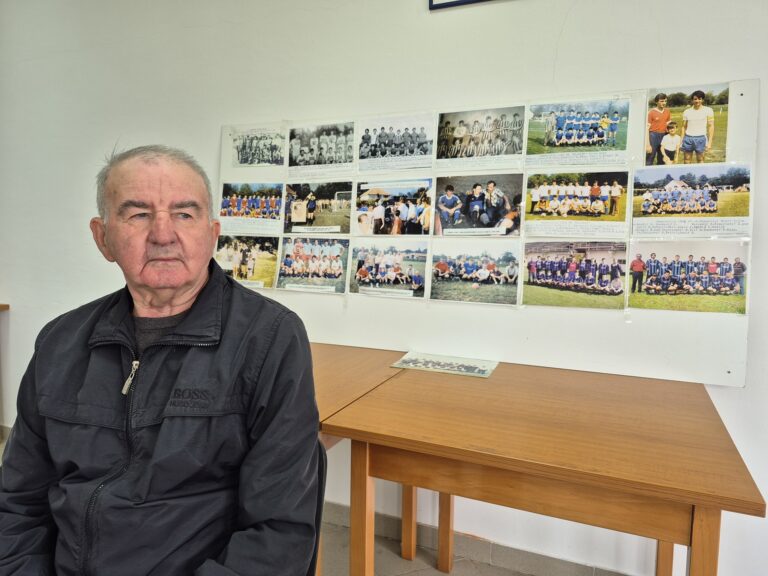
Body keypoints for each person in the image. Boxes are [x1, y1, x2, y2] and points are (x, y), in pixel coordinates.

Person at [0, 146, 320, 575]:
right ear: (103, 238)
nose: (164, 234)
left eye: (184, 214)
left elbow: (279, 530)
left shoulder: (269, 337)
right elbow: (17, 503)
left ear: (213, 233)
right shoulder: (61, 340)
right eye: (138, 214)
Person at [681, 90, 715, 163]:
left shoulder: (708, 110)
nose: (697, 101)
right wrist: (681, 141)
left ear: (702, 100)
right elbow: (684, 127)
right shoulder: (687, 112)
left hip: (701, 138)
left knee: (700, 160)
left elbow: (711, 126)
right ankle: (687, 174)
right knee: (686, 160)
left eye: (699, 99)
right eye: (695, 99)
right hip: (688, 138)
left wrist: (709, 143)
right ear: (692, 100)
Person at [646, 93, 670, 165]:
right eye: (662, 101)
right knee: (650, 156)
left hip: (664, 135)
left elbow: (669, 125)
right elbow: (647, 129)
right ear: (656, 101)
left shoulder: (667, 111)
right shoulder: (651, 112)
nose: (664, 103)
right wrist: (648, 144)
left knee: (662, 156)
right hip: (653, 135)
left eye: (665, 101)